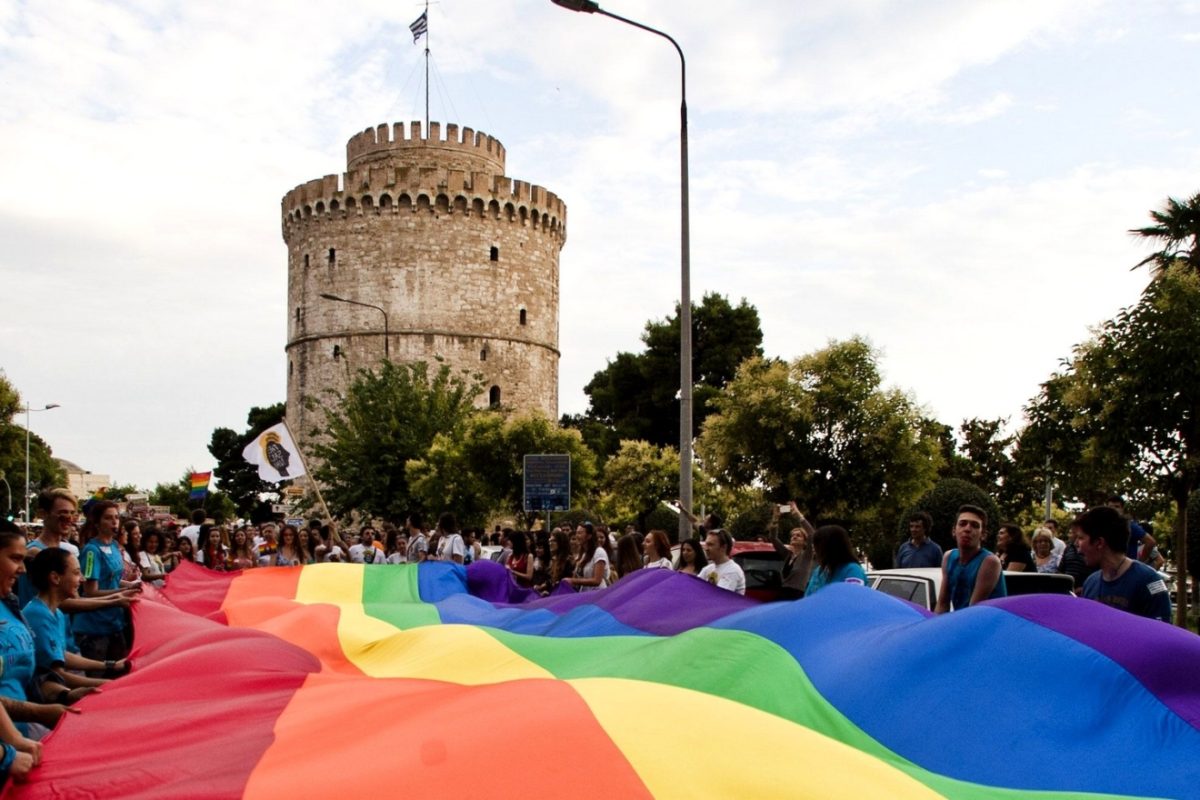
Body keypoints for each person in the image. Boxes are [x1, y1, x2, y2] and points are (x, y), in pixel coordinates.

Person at [24, 548, 117, 705]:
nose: (81, 579)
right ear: (55, 578)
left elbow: (61, 655)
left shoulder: (57, 613)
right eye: (75, 573)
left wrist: (110, 664)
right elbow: (58, 673)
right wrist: (111, 685)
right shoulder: (37, 616)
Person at [1075, 506, 1171, 623]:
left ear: (1099, 543)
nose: (1077, 545)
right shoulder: (1091, 583)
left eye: (1080, 538)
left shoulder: (1149, 581)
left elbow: (1162, 632)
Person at [75, 502, 140, 662]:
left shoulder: (114, 546)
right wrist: (122, 593)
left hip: (115, 623)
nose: (114, 522)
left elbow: (115, 580)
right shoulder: (91, 551)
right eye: (108, 518)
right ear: (97, 523)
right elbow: (90, 592)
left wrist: (132, 586)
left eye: (116, 518)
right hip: (95, 628)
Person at [934, 505, 1006, 613]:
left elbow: (973, 611)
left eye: (975, 526)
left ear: (983, 535)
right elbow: (942, 604)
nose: (967, 529)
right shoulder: (948, 557)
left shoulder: (989, 562)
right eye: (962, 524)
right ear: (954, 530)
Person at [804, 525, 867, 596]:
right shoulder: (819, 571)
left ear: (830, 546)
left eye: (817, 543)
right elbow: (808, 597)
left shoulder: (853, 570)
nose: (813, 547)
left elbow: (853, 598)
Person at [696, 529, 745, 594]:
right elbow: (694, 588)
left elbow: (719, 597)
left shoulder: (732, 570)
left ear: (723, 547)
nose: (706, 548)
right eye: (706, 544)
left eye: (710, 545)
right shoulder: (708, 569)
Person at [564, 523, 608, 592]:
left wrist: (574, 581)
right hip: (585, 594)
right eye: (576, 533)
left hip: (598, 595)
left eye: (580, 533)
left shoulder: (599, 552)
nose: (577, 536)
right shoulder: (584, 554)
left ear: (589, 536)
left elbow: (597, 580)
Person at [780, 525, 815, 601]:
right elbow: (773, 538)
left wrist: (799, 516)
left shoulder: (807, 555)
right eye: (792, 535)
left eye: (798, 535)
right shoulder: (788, 555)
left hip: (796, 596)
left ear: (804, 541)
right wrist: (775, 520)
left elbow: (811, 534)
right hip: (782, 594)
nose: (794, 537)